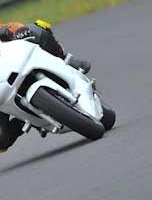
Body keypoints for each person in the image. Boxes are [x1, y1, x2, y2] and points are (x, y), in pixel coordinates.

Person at [0, 20, 90, 151]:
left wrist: (17, 30)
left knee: (38, 28)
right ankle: (23, 120)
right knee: (1, 141)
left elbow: (7, 27)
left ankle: (65, 59)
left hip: (13, 62)